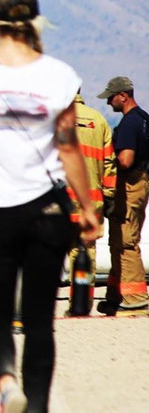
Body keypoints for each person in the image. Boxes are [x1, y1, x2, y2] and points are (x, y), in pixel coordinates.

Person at [0, 0, 99, 413]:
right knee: (39, 322)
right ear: (35, 16)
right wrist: (87, 207)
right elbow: (68, 147)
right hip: (48, 212)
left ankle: (8, 384)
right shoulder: (59, 75)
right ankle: (37, 408)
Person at [96, 76, 149, 315]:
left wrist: (107, 163)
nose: (108, 102)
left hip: (129, 187)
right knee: (119, 242)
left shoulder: (129, 123)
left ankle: (136, 299)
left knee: (126, 242)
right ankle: (116, 296)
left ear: (123, 96)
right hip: (141, 184)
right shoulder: (144, 119)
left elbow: (126, 159)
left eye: (111, 98)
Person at [65, 91, 116, 301]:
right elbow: (109, 162)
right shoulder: (98, 119)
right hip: (91, 202)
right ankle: (82, 302)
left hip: (62, 201)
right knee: (86, 253)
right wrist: (109, 194)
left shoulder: (55, 119)